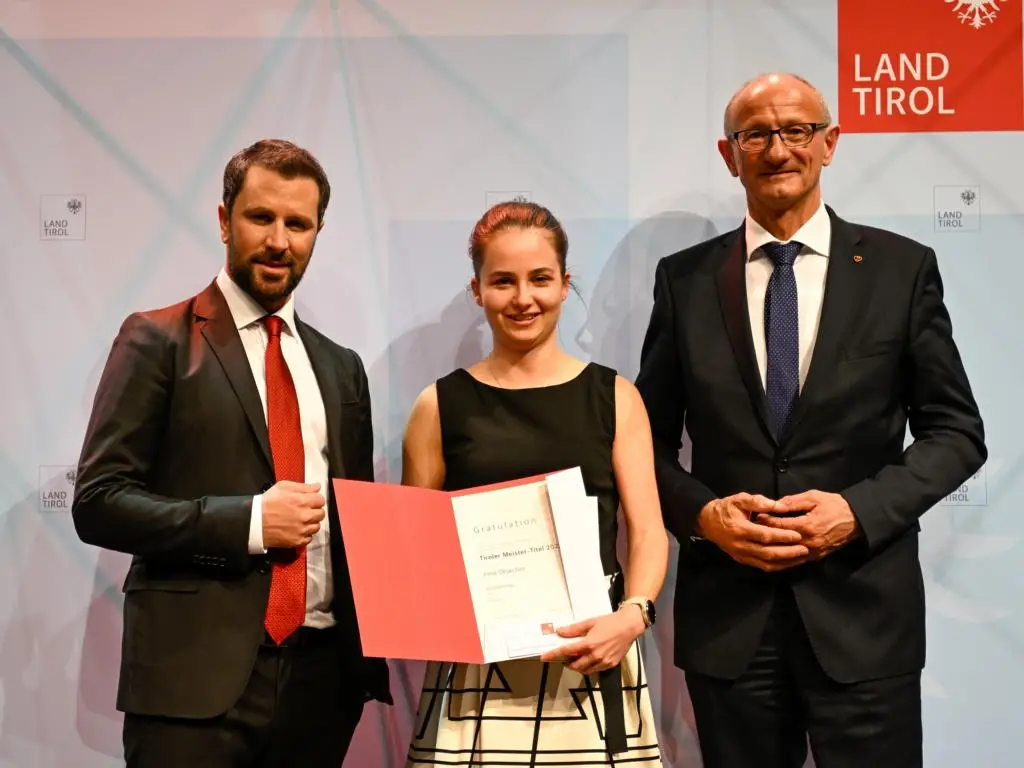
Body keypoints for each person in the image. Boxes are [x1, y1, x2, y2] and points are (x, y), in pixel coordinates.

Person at [634, 72, 986, 768]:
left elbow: (956, 433)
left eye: (796, 130)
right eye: (755, 134)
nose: (777, 149)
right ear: (728, 153)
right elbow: (639, 441)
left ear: (830, 143)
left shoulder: (900, 270)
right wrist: (704, 518)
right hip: (730, 625)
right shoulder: (685, 281)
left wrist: (856, 512)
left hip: (864, 620)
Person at [72, 138, 391, 767]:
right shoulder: (156, 339)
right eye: (261, 217)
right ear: (224, 221)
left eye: (298, 224)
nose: (279, 240)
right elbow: (99, 502)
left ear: (317, 232)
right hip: (192, 688)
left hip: (321, 682)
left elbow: (356, 519)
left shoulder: (342, 367)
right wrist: (248, 521)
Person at [401, 201, 669, 766]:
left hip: (593, 653)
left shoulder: (615, 397)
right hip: (475, 670)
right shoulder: (438, 406)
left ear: (565, 284)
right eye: (503, 281)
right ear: (478, 290)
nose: (524, 299)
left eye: (540, 279)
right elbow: (414, 556)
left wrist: (633, 616)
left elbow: (647, 532)